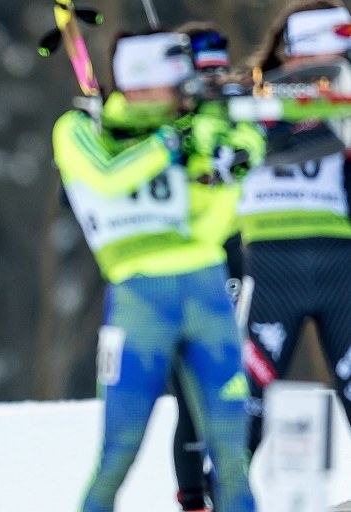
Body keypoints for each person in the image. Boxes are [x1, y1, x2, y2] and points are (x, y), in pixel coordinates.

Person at [52, 30, 264, 512]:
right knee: (117, 454)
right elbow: (107, 178)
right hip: (138, 304)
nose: (182, 98)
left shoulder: (192, 127)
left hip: (208, 291)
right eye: (175, 86)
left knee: (232, 459)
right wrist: (169, 142)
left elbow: (212, 221)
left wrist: (236, 153)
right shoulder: (82, 128)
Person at [239, 0, 351, 458]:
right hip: (269, 264)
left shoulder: (344, 99)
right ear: (292, 53)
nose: (331, 70)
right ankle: (215, 489)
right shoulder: (247, 98)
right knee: (246, 404)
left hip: (339, 262)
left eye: (340, 60)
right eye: (320, 59)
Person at [169, 21, 247, 512]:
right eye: (205, 72)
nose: (215, 81)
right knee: (189, 392)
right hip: (174, 263)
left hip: (232, 256)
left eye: (221, 70)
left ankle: (229, 490)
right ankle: (194, 498)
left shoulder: (241, 109)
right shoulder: (161, 117)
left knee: (233, 382)